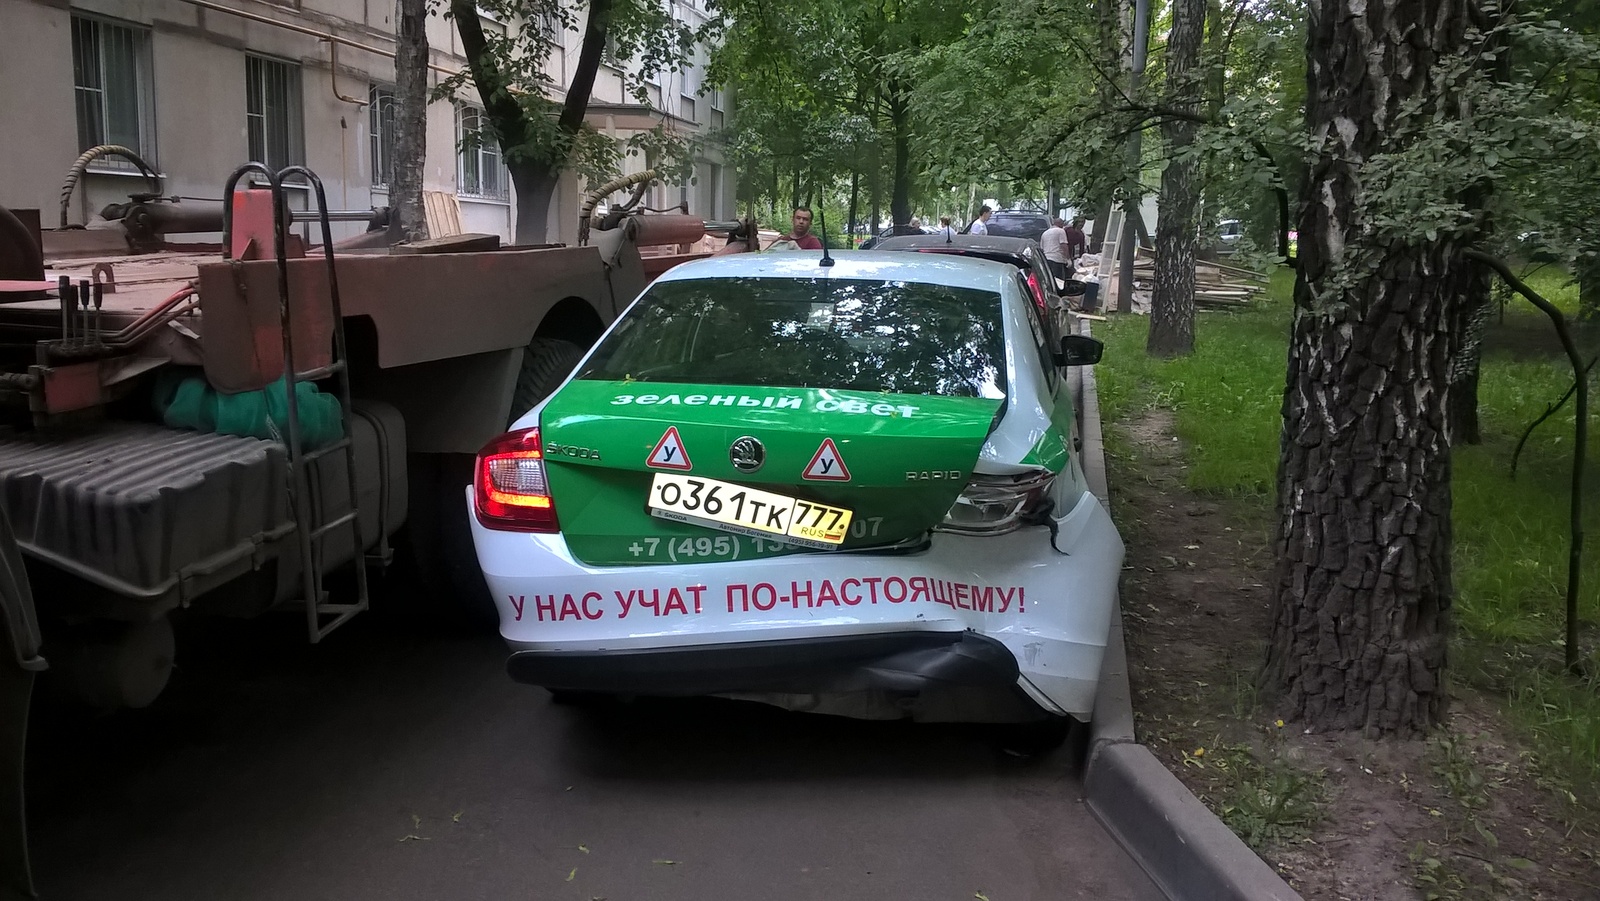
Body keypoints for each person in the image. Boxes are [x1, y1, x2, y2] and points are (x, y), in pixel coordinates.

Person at [1039, 218, 1070, 287]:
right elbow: (1064, 245)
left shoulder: (1045, 233)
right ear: (1060, 224)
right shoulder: (1061, 231)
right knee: (1059, 281)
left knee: (1050, 280)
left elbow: (1042, 248)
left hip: (1046, 260)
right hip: (1057, 259)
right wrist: (1068, 259)